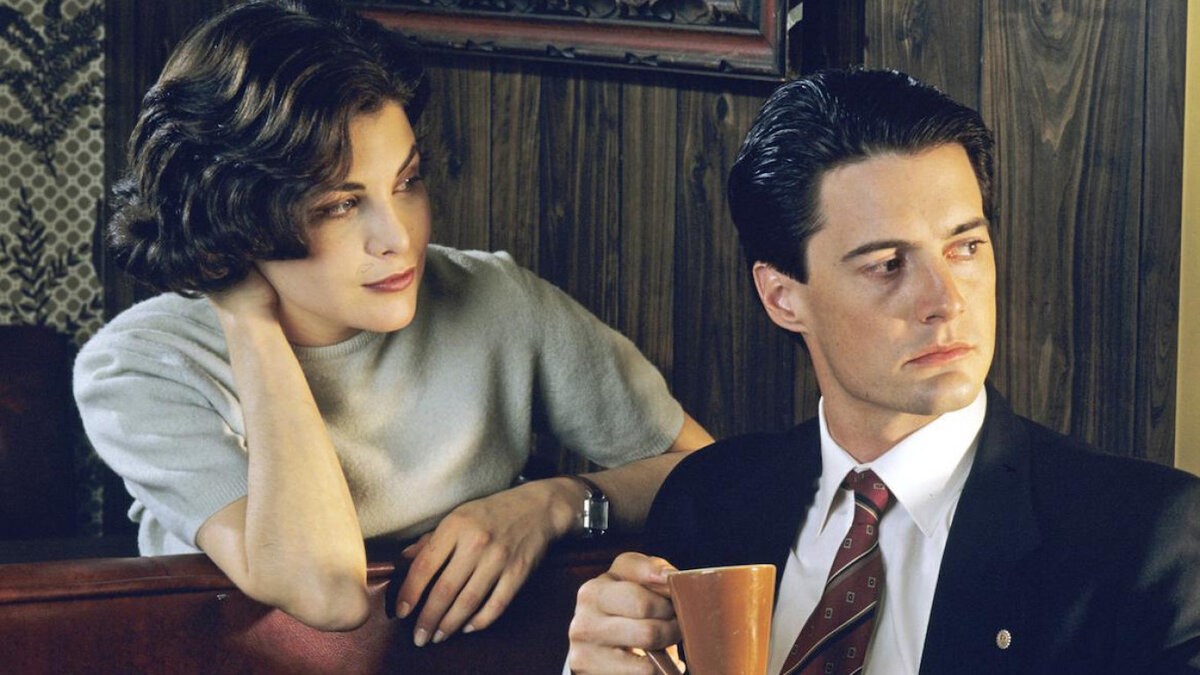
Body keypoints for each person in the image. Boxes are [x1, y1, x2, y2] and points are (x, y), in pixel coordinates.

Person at [73, 0, 714, 643]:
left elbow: (709, 476)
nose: (398, 238)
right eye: (340, 204)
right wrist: (249, 321)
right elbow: (325, 592)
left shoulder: (496, 300)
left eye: (406, 181)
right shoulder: (138, 368)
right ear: (236, 214)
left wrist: (553, 503)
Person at [566, 68, 1200, 674]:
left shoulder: (1146, 538)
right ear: (783, 297)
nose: (946, 301)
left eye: (965, 247)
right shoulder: (708, 502)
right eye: (888, 264)